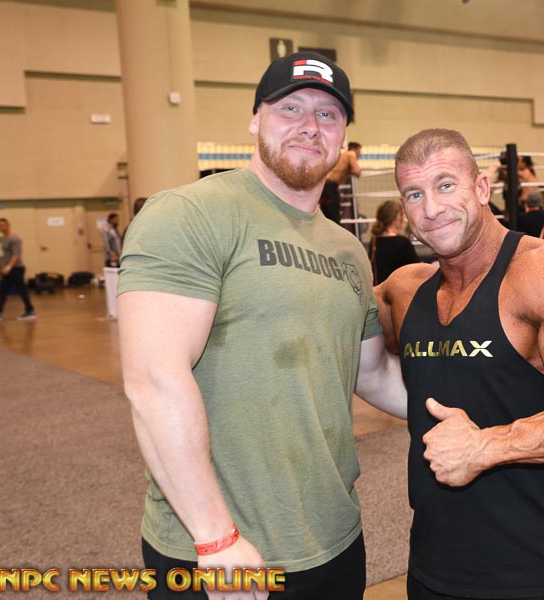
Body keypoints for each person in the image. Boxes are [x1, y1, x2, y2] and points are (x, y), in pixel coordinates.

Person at [118, 51, 405, 600]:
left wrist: (490, 401)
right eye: (290, 107)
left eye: (328, 114)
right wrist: (216, 539)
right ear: (255, 120)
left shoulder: (347, 250)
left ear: (343, 137)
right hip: (218, 552)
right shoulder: (191, 213)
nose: (309, 125)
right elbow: (153, 378)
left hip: (334, 539)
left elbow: (373, 375)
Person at [375, 129, 544, 599]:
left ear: (482, 188)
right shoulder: (405, 291)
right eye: (414, 194)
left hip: (542, 572)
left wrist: (485, 446)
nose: (431, 208)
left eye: (446, 185)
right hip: (432, 571)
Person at [0, 218, 36, 322]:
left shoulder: (15, 239)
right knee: (3, 290)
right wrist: (3, 266)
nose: (1, 227)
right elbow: (6, 255)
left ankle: (30, 311)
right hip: (9, 269)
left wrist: (8, 267)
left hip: (16, 269)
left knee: (21, 290)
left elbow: (16, 255)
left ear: (8, 225)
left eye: (3, 225)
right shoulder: (4, 238)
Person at [368, 199, 419, 284]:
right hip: (400, 289)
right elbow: (417, 269)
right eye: (402, 215)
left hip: (381, 289)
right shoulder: (402, 242)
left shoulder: (374, 240)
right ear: (395, 218)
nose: (403, 218)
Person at [322, 141, 362, 224]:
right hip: (330, 188)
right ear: (356, 149)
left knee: (327, 218)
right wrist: (348, 172)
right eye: (359, 152)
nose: (359, 155)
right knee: (334, 218)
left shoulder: (341, 155)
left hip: (323, 187)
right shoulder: (351, 154)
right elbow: (357, 171)